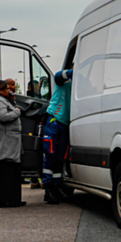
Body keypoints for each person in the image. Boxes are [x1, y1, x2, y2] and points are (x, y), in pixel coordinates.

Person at [0, 80, 26, 208]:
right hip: (6, 140)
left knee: (13, 169)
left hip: (10, 139)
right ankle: (6, 199)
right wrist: (17, 112)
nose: (10, 90)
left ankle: (13, 198)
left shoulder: (4, 100)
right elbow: (3, 116)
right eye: (7, 89)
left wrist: (12, 101)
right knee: (7, 169)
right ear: (0, 90)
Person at [42, 68, 73, 205]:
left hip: (65, 123)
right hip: (55, 120)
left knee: (60, 157)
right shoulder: (63, 80)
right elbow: (57, 76)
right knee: (51, 155)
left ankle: (56, 186)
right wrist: (76, 69)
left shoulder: (80, 83)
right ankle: (48, 189)